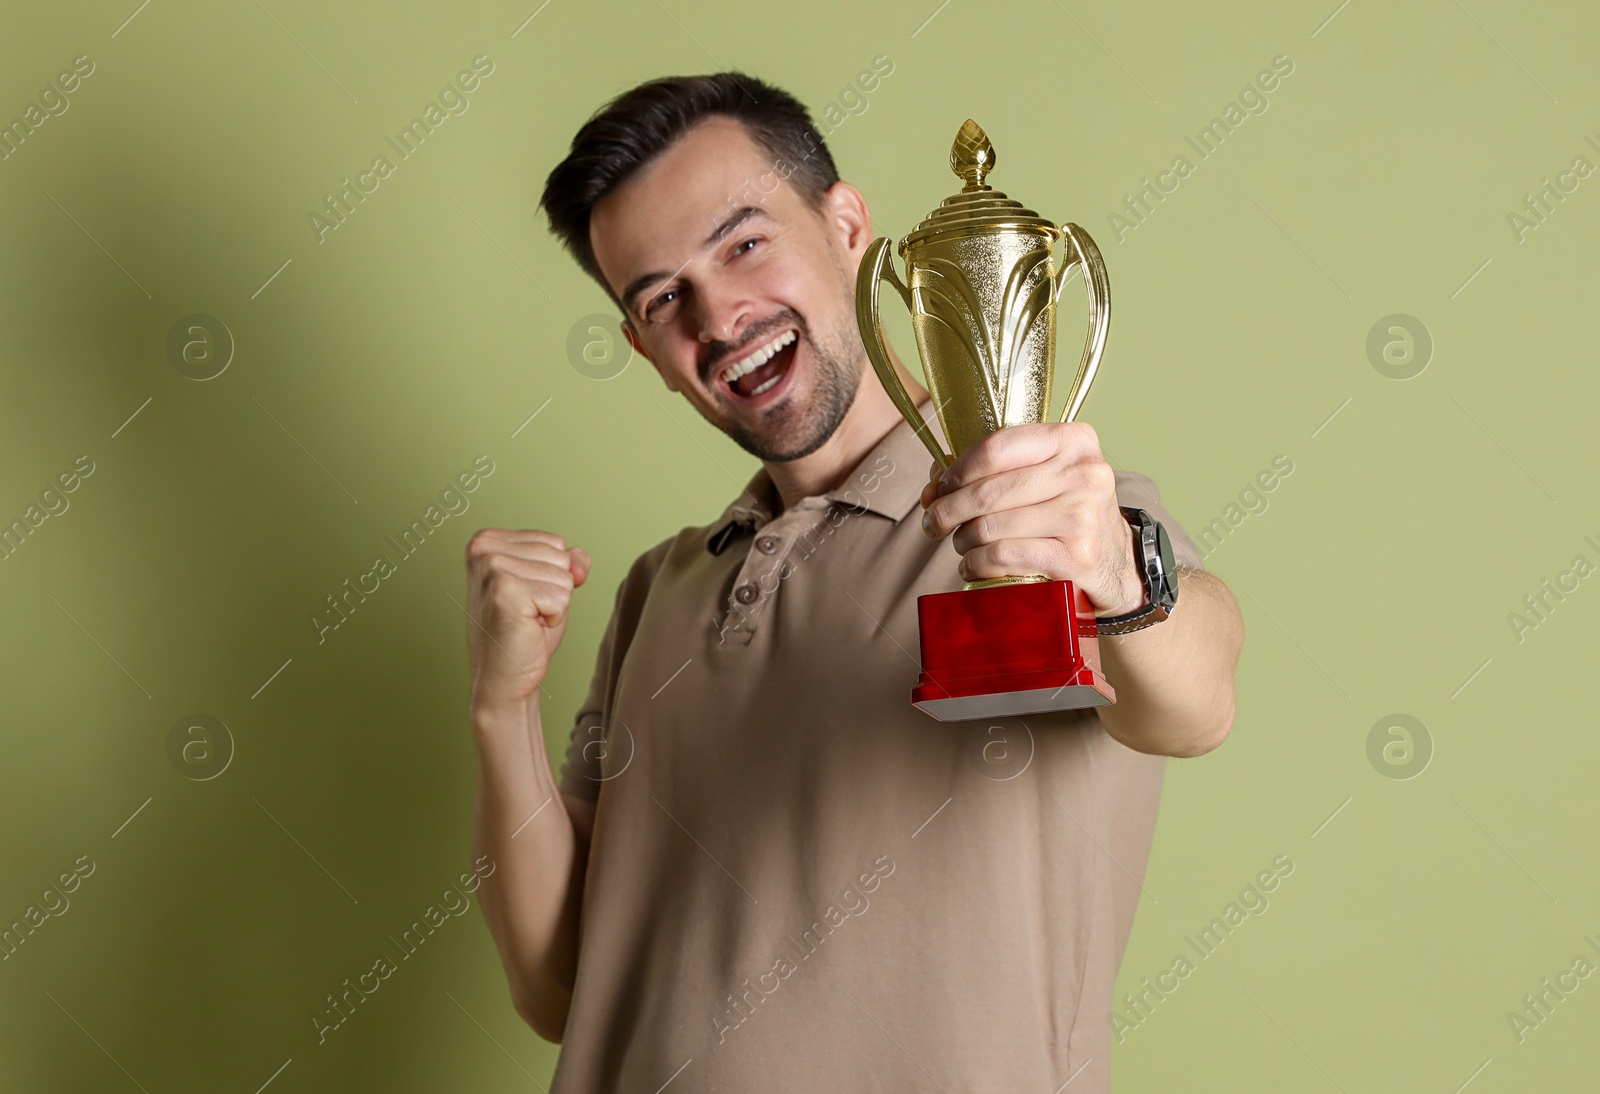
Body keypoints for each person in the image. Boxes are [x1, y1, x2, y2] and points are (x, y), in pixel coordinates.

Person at [464, 70, 1244, 1093]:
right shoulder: (660, 589)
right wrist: (500, 705)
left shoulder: (1034, 532)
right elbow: (558, 986)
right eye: (663, 299)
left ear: (846, 227)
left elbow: (1194, 702)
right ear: (644, 349)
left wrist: (1111, 566)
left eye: (743, 243)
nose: (721, 314)